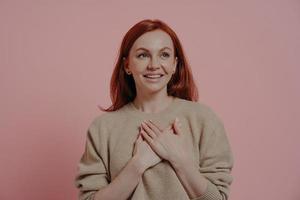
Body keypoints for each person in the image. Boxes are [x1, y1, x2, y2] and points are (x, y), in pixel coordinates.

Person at [74, 19, 234, 200]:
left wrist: (178, 158)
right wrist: (138, 164)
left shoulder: (204, 120)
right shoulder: (102, 128)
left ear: (174, 64)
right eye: (143, 55)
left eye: (164, 55)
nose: (154, 65)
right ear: (127, 65)